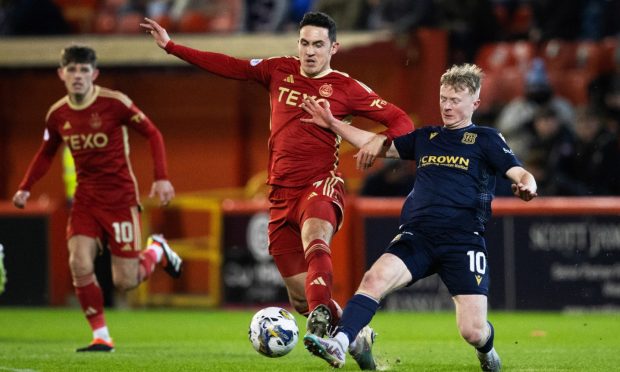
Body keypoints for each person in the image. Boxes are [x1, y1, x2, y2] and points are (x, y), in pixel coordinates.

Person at [141, 11, 413, 369]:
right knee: (300, 298)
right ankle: (356, 337)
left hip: (320, 184)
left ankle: (319, 318)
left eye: (318, 44)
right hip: (280, 196)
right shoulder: (278, 69)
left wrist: (377, 146)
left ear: (334, 47)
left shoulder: (348, 88)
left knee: (316, 236)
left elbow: (402, 122)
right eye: (304, 43)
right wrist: (172, 47)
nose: (310, 52)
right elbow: (230, 66)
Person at [300, 63, 537, 371]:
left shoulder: (486, 139)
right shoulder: (427, 137)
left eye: (455, 100)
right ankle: (341, 343)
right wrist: (332, 122)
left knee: (473, 332)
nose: (447, 106)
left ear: (474, 103)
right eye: (443, 98)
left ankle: (487, 351)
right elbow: (375, 144)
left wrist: (527, 186)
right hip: (418, 236)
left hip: (462, 243)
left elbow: (519, 171)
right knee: (373, 279)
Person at [12, 45, 183, 352]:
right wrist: (25, 186)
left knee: (125, 281)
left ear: (95, 73)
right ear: (61, 74)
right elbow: (45, 153)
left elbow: (153, 133)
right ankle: (101, 335)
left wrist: (161, 177)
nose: (78, 76)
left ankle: (156, 250)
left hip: (120, 200)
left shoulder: (114, 103)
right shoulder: (57, 114)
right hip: (85, 202)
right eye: (72, 70)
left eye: (83, 70)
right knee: (78, 262)